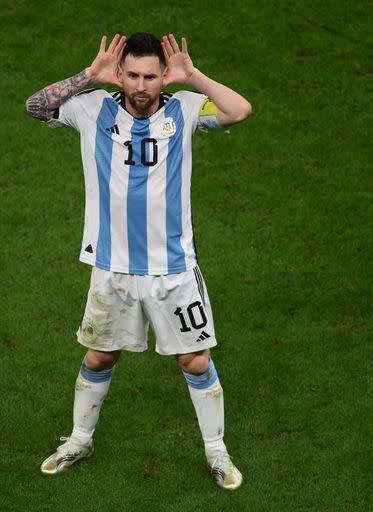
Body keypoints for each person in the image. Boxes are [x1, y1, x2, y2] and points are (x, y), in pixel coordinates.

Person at [25, 32, 252, 490]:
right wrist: (88, 76)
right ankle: (80, 439)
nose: (142, 85)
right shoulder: (91, 108)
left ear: (164, 75)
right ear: (121, 73)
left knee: (194, 360)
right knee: (99, 354)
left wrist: (196, 77)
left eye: (151, 76)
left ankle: (216, 451)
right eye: (133, 75)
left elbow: (238, 111)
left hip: (173, 269)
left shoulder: (185, 109)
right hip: (112, 268)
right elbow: (35, 107)